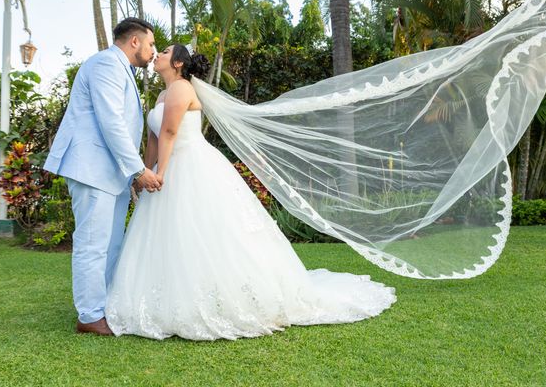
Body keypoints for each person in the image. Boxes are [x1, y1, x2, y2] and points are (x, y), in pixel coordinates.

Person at [105, 44, 397, 340]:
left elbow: (170, 132)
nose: (158, 54)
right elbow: (154, 137)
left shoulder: (181, 89)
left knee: (204, 232)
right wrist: (144, 171)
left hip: (189, 166)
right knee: (171, 235)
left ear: (179, 63)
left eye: (165, 52)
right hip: (166, 166)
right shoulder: (163, 95)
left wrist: (160, 174)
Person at [44, 18, 163, 335]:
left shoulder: (121, 69)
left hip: (112, 173)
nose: (153, 52)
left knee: (111, 244)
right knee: (92, 243)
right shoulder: (106, 64)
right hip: (93, 168)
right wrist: (137, 170)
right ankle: (89, 316)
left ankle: (106, 305)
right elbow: (111, 122)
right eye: (150, 44)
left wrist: (129, 174)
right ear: (134, 41)